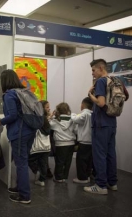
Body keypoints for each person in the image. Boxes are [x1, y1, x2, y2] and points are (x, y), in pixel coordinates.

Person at [0, 69, 36, 204]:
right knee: (23, 161)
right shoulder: (24, 92)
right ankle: (21, 187)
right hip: (30, 130)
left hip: (19, 132)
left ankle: (25, 195)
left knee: (20, 162)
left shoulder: (9, 95)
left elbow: (13, 115)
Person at [84, 59, 118, 195]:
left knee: (99, 155)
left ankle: (100, 185)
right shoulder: (113, 80)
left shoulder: (101, 82)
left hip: (100, 124)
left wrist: (90, 95)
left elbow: (101, 103)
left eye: (93, 70)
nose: (92, 73)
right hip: (111, 123)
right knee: (111, 154)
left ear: (100, 68)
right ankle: (112, 183)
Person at [50, 102, 76, 183]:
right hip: (71, 143)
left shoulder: (55, 120)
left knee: (59, 161)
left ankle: (58, 177)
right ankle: (65, 176)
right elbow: (75, 130)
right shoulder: (72, 119)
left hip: (60, 144)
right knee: (68, 161)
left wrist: (51, 116)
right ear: (68, 110)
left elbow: (49, 124)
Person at [28, 100, 51, 187]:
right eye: (47, 107)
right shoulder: (46, 120)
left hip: (37, 146)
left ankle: (36, 171)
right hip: (46, 146)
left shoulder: (36, 119)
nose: (49, 109)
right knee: (44, 163)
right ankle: (41, 180)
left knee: (28, 159)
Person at [71, 97, 93, 184]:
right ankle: (87, 176)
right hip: (91, 142)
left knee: (81, 161)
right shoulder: (93, 114)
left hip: (84, 142)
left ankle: (82, 178)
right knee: (89, 161)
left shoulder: (84, 114)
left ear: (82, 105)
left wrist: (72, 114)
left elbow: (75, 119)